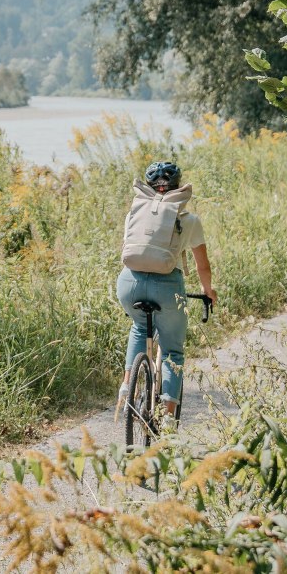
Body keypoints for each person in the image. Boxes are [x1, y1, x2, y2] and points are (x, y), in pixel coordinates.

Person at [116, 161, 217, 416]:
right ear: (177, 186)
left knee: (140, 326)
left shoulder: (134, 213)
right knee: (172, 351)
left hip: (129, 283)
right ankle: (168, 423)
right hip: (168, 287)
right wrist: (208, 291)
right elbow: (202, 265)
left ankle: (127, 384)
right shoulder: (189, 219)